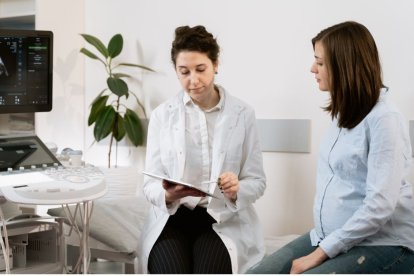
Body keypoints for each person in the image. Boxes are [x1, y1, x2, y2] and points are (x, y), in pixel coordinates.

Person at [246, 21, 414, 274]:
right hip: (331, 235)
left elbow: (380, 206)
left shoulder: (384, 119)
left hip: (383, 242)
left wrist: (320, 254)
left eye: (321, 63)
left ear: (346, 65)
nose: (312, 69)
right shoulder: (343, 114)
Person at [139, 25, 266, 274]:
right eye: (183, 72)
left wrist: (236, 188)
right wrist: (168, 195)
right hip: (172, 219)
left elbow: (258, 181)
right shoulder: (163, 116)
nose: (193, 80)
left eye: (200, 69)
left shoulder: (243, 114)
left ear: (216, 64)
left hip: (220, 218)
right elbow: (149, 184)